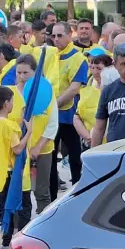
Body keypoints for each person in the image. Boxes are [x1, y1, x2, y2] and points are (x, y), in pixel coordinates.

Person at [10, 54, 58, 214]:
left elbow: (52, 124)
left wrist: (38, 147)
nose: (22, 77)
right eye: (19, 73)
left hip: (42, 151)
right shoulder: (11, 94)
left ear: (35, 73)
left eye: (26, 73)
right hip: (17, 150)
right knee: (18, 192)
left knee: (41, 191)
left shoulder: (46, 92)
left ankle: (44, 225)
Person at [0, 86, 32, 249]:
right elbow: (17, 148)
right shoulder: (9, 125)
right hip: (12, 174)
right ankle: (18, 243)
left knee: (7, 207)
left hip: (0, 173)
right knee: (23, 207)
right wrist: (29, 133)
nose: (14, 104)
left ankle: (6, 242)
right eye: (12, 101)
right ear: (6, 104)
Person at [49, 22, 88, 200]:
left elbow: (74, 89)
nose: (56, 39)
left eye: (60, 35)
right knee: (49, 158)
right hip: (51, 117)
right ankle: (50, 197)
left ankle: (77, 195)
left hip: (70, 115)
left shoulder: (79, 58)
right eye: (53, 36)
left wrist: (52, 105)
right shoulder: (50, 55)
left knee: (74, 157)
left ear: (69, 35)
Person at [74, 49, 108, 147]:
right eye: (89, 62)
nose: (94, 70)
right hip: (89, 141)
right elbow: (77, 116)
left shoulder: (113, 87)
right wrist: (88, 137)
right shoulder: (88, 83)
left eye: (98, 67)